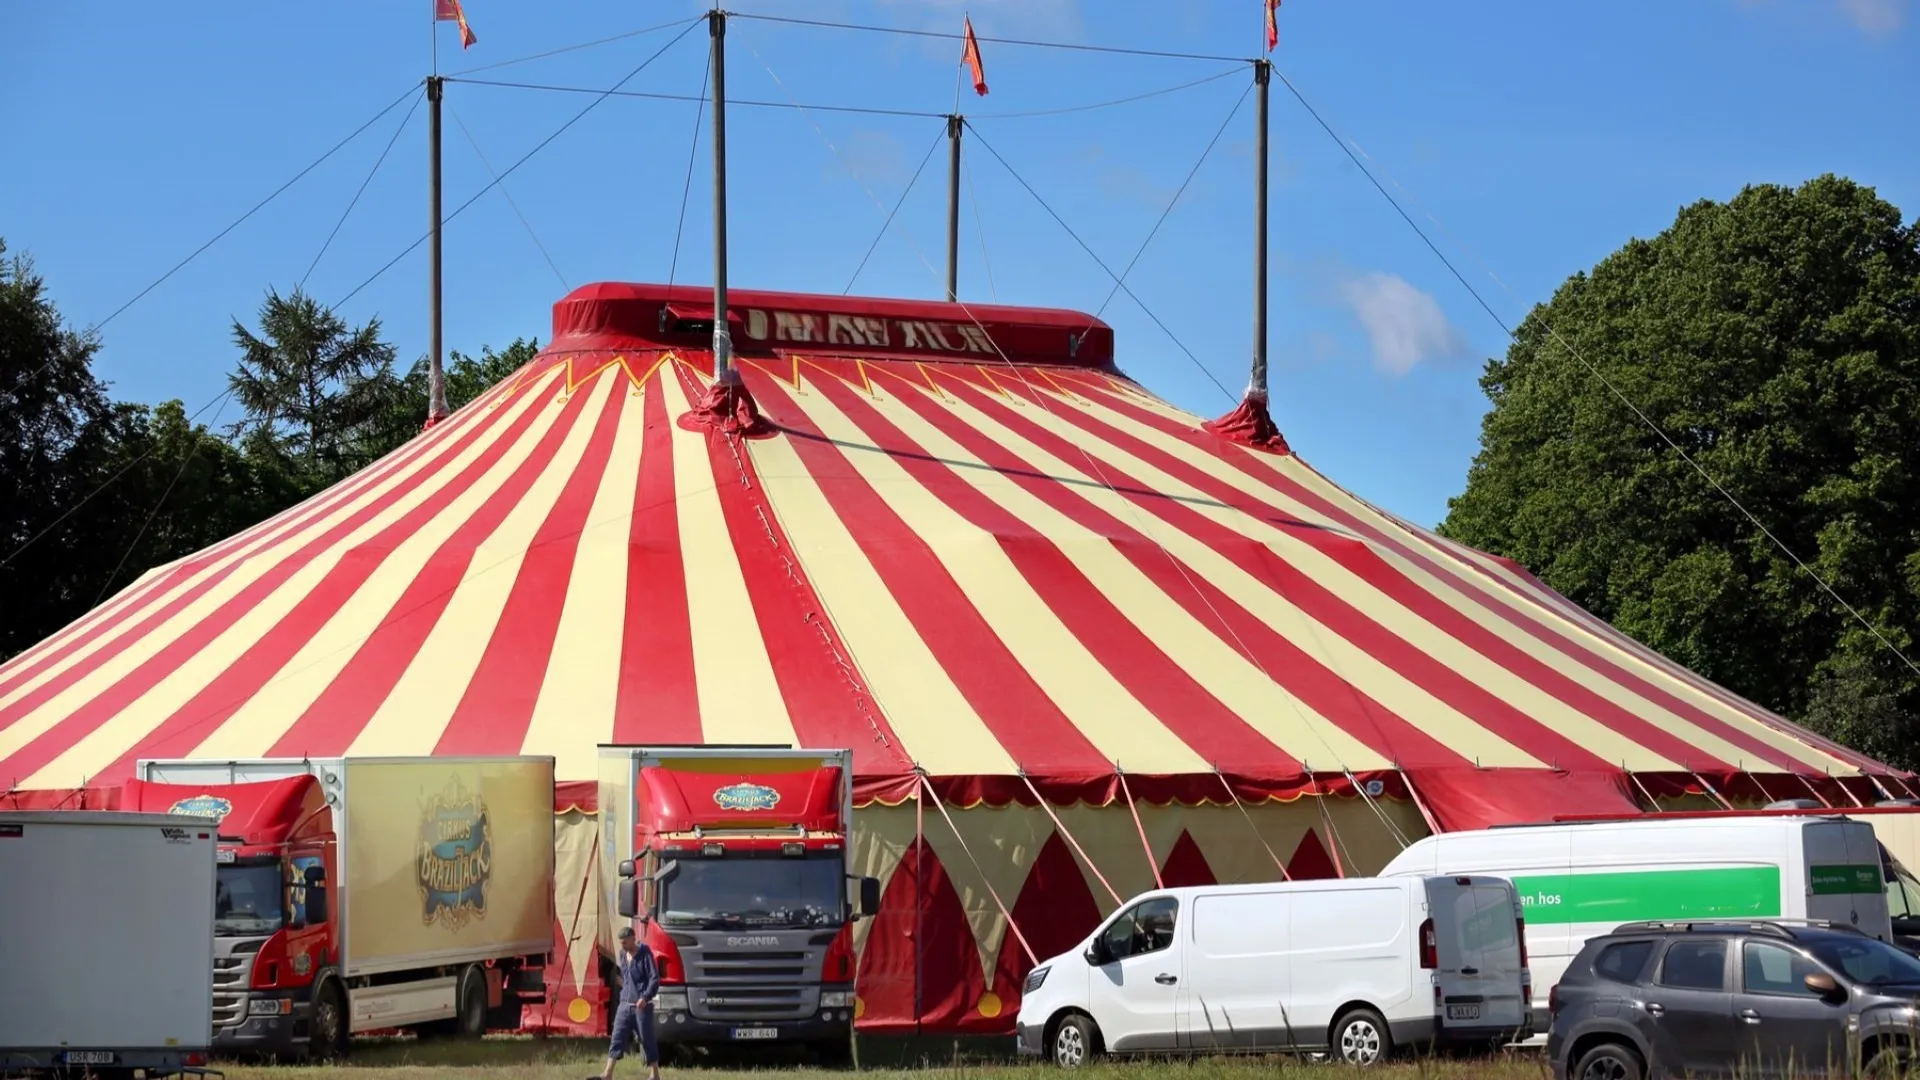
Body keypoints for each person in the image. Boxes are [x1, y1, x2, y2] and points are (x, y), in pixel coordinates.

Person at [596, 923, 660, 1080]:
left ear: (633, 939)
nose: (623, 946)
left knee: (646, 1039)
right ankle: (608, 1073)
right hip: (625, 1004)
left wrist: (645, 997)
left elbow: (654, 978)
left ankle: (655, 1074)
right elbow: (627, 978)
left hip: (641, 1006)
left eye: (625, 942)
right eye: (621, 943)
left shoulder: (645, 954)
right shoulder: (623, 955)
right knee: (617, 1036)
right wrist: (623, 984)